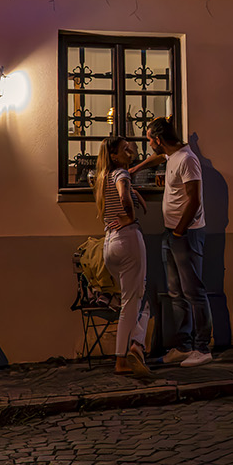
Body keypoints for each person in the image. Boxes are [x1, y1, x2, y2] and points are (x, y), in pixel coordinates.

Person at [132, 118, 212, 367]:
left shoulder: (187, 160)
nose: (149, 144)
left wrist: (179, 232)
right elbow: (159, 159)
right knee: (177, 293)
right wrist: (135, 170)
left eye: (149, 139)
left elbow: (195, 200)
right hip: (172, 234)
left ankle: (202, 348)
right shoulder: (173, 156)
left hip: (185, 235)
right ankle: (183, 346)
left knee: (194, 292)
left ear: (158, 140)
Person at [94, 136, 151, 377]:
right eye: (124, 148)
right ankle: (121, 360)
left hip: (110, 245)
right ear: (115, 156)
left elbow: (122, 193)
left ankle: (137, 346)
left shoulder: (102, 177)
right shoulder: (120, 175)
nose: (130, 150)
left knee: (137, 301)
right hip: (127, 239)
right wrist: (130, 215)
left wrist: (133, 191)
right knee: (132, 301)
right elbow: (123, 196)